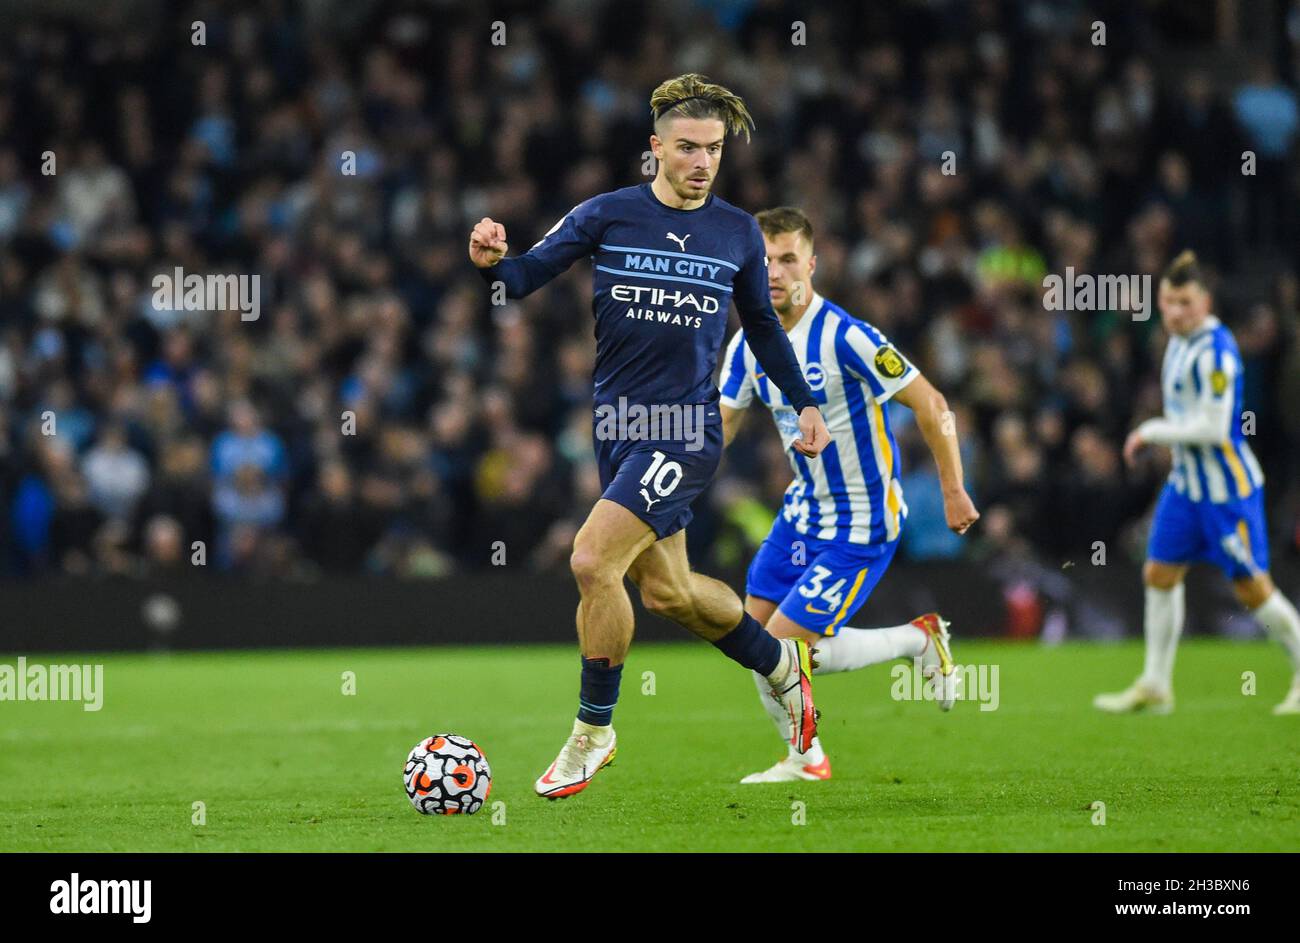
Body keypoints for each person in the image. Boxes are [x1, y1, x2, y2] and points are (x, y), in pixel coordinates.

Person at [467, 74, 832, 799]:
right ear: (656, 148)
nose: (703, 162)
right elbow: (526, 275)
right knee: (668, 593)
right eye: (689, 147)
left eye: (715, 150)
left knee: (590, 558)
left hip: (685, 430)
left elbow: (761, 325)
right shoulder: (607, 214)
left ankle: (593, 730)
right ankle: (781, 663)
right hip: (618, 430)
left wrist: (803, 402)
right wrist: (490, 265)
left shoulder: (735, 233)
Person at [720, 207, 979, 782]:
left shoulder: (846, 336)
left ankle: (916, 640)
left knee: (783, 650)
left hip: (861, 523)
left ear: (812, 265)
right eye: (764, 261)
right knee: (751, 643)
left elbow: (932, 404)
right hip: (800, 517)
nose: (775, 272)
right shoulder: (747, 346)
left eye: (788, 259)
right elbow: (721, 426)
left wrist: (953, 490)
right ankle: (806, 759)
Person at [1096, 250, 1300, 715]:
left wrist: (1151, 431)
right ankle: (1155, 684)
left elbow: (1212, 428)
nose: (1175, 311)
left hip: (1227, 491)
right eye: (1168, 302)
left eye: (1185, 302)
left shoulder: (1217, 353)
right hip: (1186, 488)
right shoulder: (1176, 343)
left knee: (1253, 589)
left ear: (1205, 302)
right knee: (1159, 573)